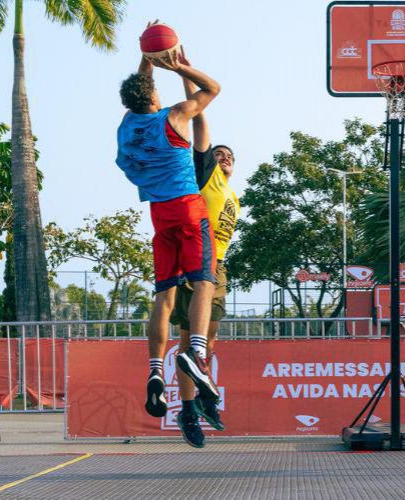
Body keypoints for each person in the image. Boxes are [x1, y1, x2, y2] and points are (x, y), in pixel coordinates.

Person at [115, 34, 221, 448]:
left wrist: (146, 58)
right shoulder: (172, 118)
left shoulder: (126, 127)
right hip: (188, 208)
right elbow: (213, 89)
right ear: (155, 96)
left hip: (158, 216)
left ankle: (156, 370)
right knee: (205, 282)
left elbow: (141, 90)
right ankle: (196, 354)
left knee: (164, 295)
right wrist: (178, 67)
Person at [168, 48, 240, 441]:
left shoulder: (232, 194)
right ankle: (189, 410)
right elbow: (199, 123)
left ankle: (201, 398)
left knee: (208, 341)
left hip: (219, 266)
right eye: (219, 154)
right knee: (186, 340)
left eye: (230, 155)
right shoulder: (204, 177)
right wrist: (185, 75)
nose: (223, 155)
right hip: (193, 261)